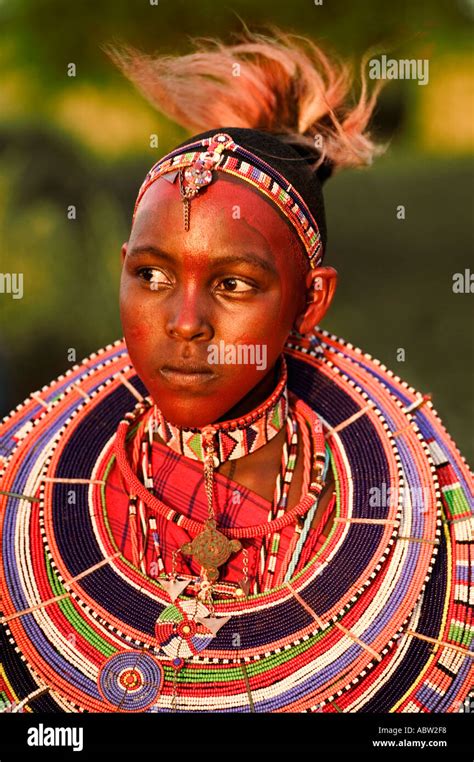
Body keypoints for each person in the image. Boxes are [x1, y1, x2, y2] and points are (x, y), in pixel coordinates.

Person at [0, 29, 472, 715]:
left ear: (311, 302)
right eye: (152, 274)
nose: (184, 322)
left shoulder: (428, 529)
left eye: (234, 284)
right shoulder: (19, 497)